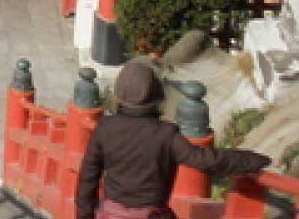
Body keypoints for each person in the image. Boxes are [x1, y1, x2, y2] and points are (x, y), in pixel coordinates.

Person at [76, 62, 270, 219]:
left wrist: (85, 215)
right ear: (155, 96)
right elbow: (205, 159)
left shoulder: (105, 128)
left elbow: (88, 178)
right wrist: (253, 160)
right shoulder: (166, 135)